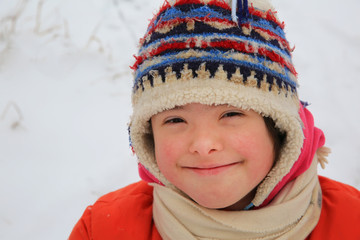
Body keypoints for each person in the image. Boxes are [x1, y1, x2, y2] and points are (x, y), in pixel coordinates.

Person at [69, 0, 360, 239]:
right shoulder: (103, 229)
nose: (203, 144)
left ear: (279, 128)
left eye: (231, 113)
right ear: (148, 137)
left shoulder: (352, 222)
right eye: (175, 120)